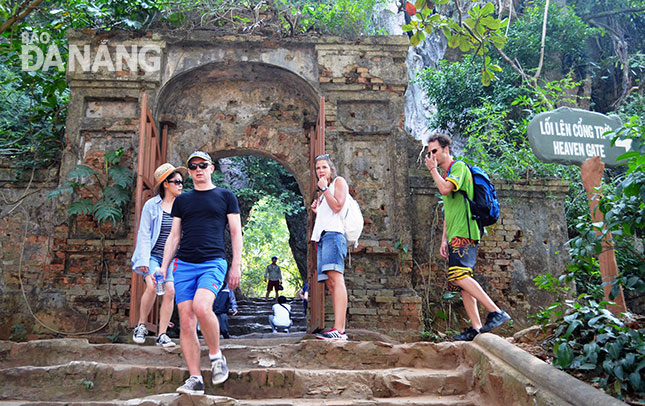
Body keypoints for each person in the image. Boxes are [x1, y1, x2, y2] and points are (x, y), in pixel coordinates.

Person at [159, 151, 243, 395]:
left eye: (202, 165)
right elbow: (174, 236)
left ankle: (216, 356)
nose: (198, 169)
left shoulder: (225, 196)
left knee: (202, 307)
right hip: (184, 265)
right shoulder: (182, 201)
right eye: (193, 166)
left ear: (211, 168)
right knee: (186, 321)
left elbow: (236, 232)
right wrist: (164, 267)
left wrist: (236, 264)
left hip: (213, 262)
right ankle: (195, 377)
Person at [425, 133, 511, 341]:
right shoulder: (447, 174)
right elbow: (449, 209)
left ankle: (496, 312)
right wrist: (444, 238)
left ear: (446, 150)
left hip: (466, 232)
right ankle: (477, 328)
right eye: (429, 153)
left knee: (458, 276)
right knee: (462, 281)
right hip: (455, 233)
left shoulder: (458, 168)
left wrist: (433, 170)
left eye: (434, 151)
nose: (432, 156)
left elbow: (446, 190)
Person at [130, 163, 186, 348]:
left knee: (170, 291)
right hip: (153, 256)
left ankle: (162, 334)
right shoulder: (152, 206)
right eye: (176, 181)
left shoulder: (183, 207)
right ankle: (141, 325)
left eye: (181, 182)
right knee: (153, 285)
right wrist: (143, 260)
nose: (180, 185)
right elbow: (144, 233)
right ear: (165, 184)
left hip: (171, 259)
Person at [310, 153, 349, 341]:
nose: (320, 171)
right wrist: (318, 210)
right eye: (318, 168)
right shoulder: (324, 192)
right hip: (324, 238)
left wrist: (324, 188)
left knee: (336, 279)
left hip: (334, 236)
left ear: (331, 169)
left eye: (324, 167)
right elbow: (330, 211)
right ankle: (336, 328)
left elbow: (338, 206)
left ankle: (340, 330)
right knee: (331, 284)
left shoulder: (338, 182)